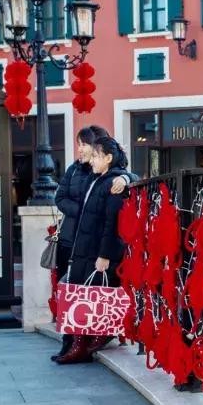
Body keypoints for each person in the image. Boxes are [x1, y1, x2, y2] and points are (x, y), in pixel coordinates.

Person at [51, 126, 127, 361]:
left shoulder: (105, 177)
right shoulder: (76, 170)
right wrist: (84, 212)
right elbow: (60, 197)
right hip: (73, 240)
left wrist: (126, 178)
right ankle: (70, 345)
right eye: (80, 145)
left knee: (90, 293)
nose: (81, 149)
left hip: (92, 243)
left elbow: (125, 178)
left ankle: (88, 341)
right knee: (72, 292)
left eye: (85, 145)